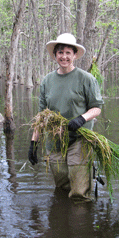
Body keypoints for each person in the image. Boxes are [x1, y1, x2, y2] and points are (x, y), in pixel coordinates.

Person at [28, 33, 104, 201]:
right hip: (54, 141)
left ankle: (80, 224)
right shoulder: (47, 81)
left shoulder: (86, 79)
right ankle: (61, 222)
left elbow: (96, 108)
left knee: (79, 193)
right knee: (61, 187)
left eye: (68, 52)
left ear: (74, 55)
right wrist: (33, 143)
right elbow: (41, 116)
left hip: (79, 140)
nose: (64, 56)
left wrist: (81, 119)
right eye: (60, 52)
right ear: (55, 55)